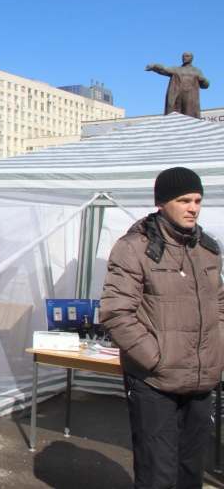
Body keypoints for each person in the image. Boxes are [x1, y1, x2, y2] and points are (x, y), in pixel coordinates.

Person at [100, 167, 224, 488]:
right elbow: (116, 313)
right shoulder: (135, 248)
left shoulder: (207, 249)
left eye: (197, 200)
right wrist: (158, 358)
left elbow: (219, 305)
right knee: (158, 475)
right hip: (154, 381)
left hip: (201, 379)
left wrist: (217, 352)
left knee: (190, 473)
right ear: (162, 203)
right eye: (184, 200)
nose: (193, 207)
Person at [146, 52, 210, 119]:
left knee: (190, 117)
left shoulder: (196, 71)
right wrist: (154, 66)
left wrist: (203, 80)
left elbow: (206, 85)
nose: (184, 58)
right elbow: (164, 69)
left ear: (191, 59)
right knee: (174, 117)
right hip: (177, 96)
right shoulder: (176, 69)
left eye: (187, 56)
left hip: (190, 97)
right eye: (183, 56)